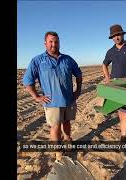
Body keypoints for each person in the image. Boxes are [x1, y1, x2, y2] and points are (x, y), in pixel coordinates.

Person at [23, 31, 82, 164]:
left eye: (56, 41)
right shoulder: (37, 61)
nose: (54, 44)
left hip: (69, 99)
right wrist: (37, 97)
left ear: (59, 42)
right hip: (52, 102)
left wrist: (78, 90)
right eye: (51, 41)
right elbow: (27, 81)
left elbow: (78, 74)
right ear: (45, 43)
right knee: (55, 127)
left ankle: (68, 140)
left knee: (67, 123)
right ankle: (58, 151)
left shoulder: (68, 59)